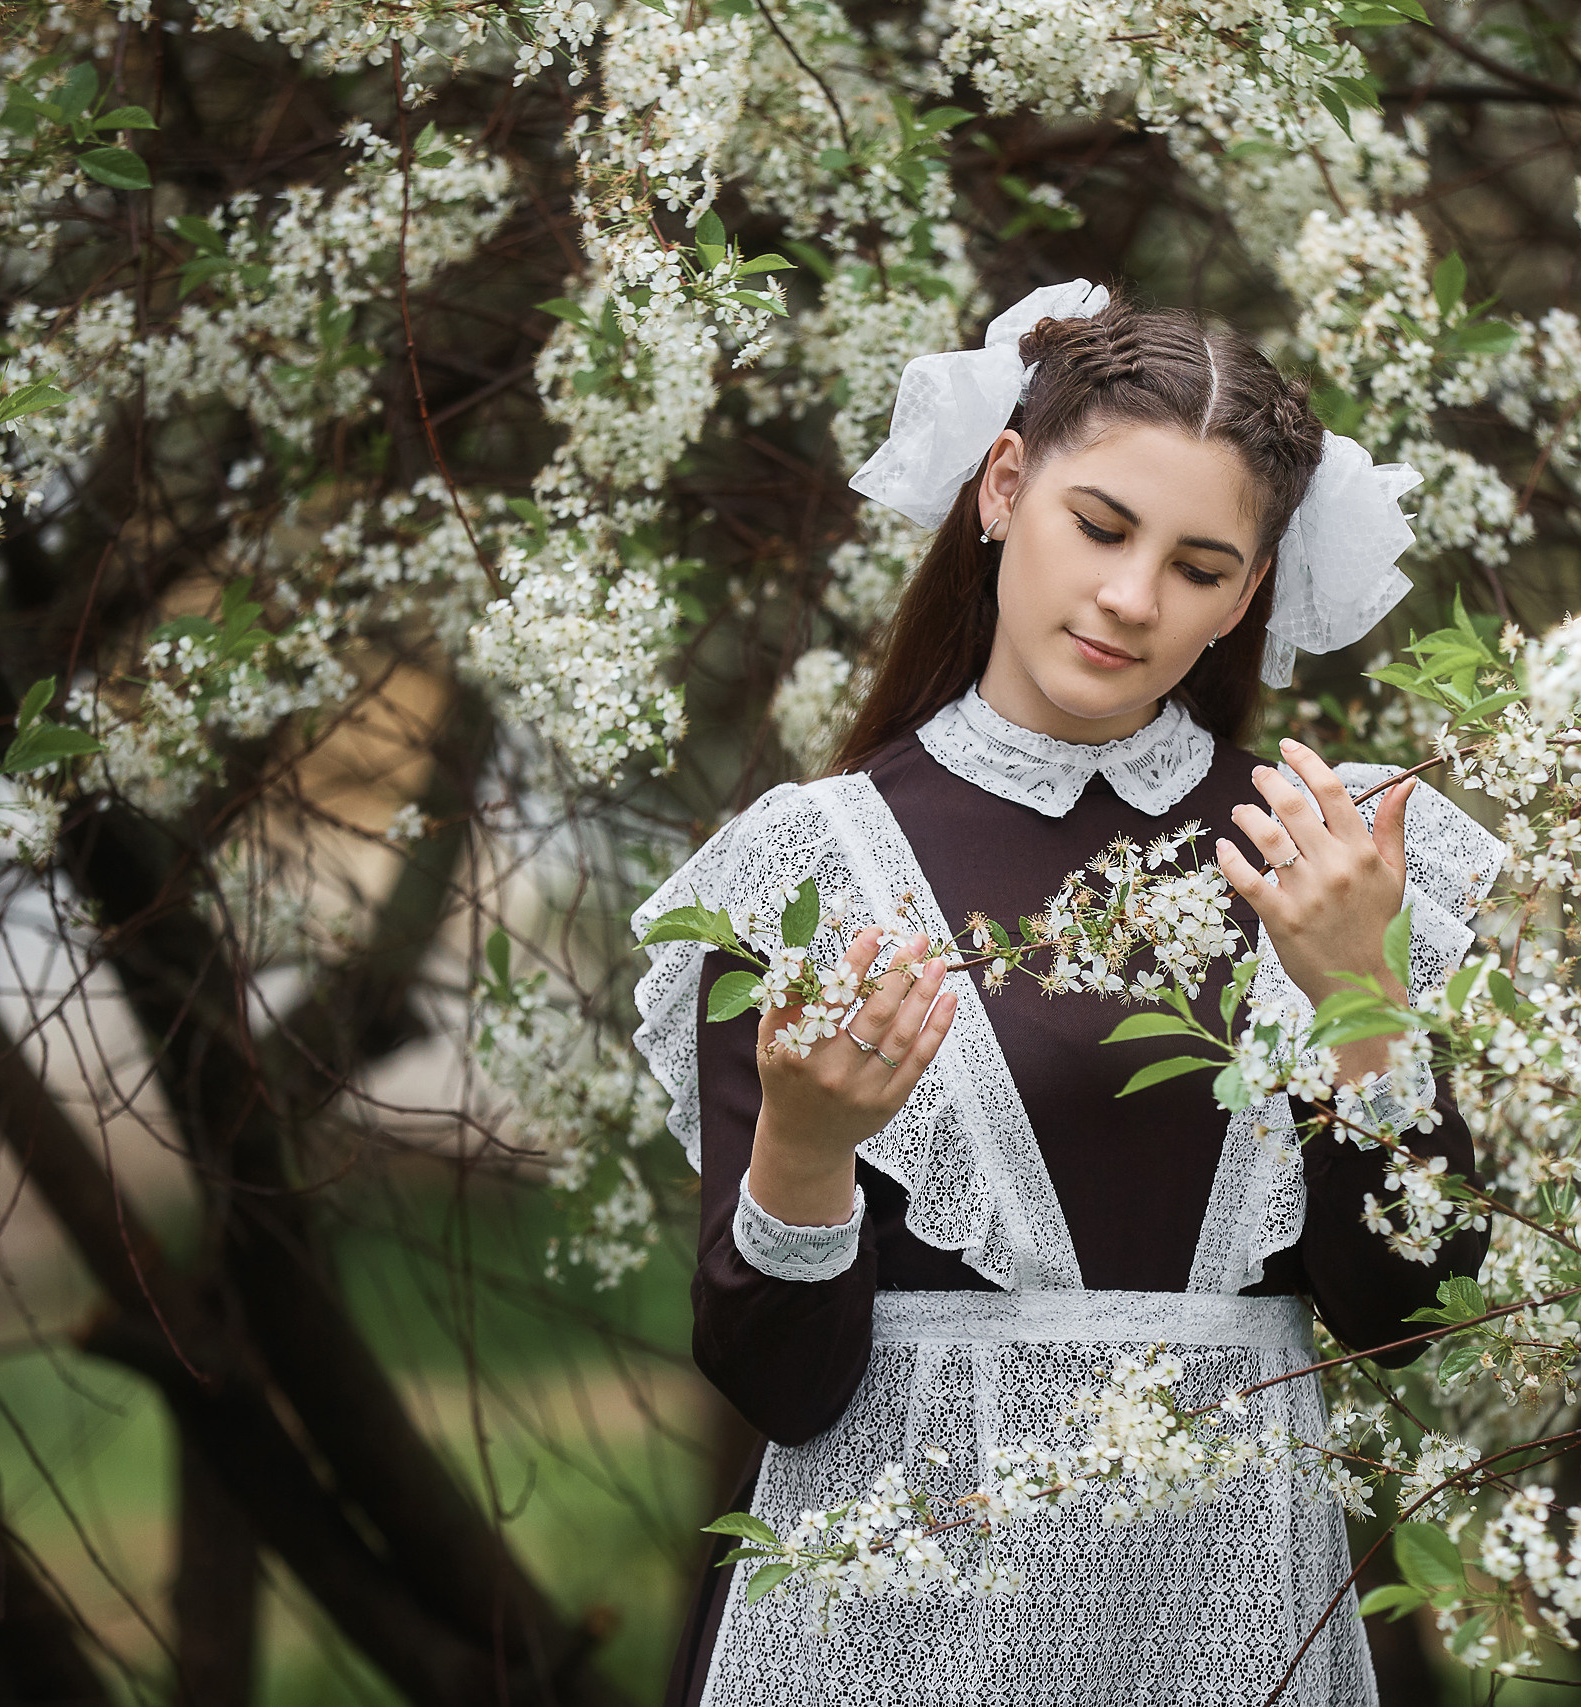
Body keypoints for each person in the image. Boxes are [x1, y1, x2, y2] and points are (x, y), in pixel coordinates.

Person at [631, 278, 1502, 1706]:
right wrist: (800, 1148)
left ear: (1247, 599)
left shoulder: (1325, 857)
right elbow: (783, 1390)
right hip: (889, 1642)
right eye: (1101, 527)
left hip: (1232, 1630)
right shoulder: (810, 867)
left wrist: (1361, 1000)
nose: (1130, 598)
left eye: (1201, 566)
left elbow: (1408, 1314)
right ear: (1004, 485)